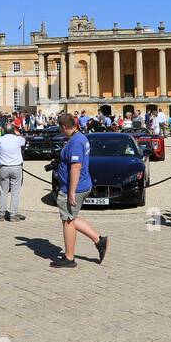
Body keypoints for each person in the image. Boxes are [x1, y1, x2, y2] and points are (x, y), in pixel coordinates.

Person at [50, 113, 108, 269]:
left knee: (68, 220)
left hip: (75, 186)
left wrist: (71, 192)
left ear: (63, 127)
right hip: (81, 184)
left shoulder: (76, 141)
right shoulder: (80, 137)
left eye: (60, 129)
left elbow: (76, 167)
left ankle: (70, 257)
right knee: (72, 217)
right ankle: (99, 240)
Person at [0, 124, 26, 222]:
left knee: (3, 191)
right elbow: (23, 141)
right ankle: (13, 214)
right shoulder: (18, 139)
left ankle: (1, 214)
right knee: (15, 192)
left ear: (3, 130)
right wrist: (17, 134)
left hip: (4, 167)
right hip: (16, 167)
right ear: (13, 130)